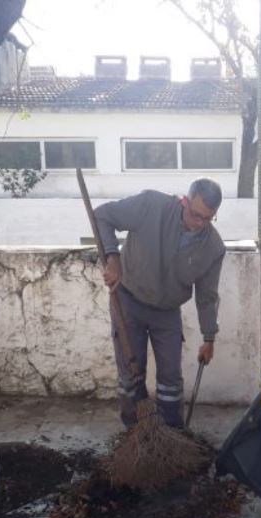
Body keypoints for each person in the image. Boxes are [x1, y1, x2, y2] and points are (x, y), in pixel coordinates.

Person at [94, 179, 225, 428]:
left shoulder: (213, 247)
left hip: (167, 313)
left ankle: (171, 437)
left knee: (170, 381)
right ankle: (135, 435)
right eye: (195, 215)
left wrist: (209, 338)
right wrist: (113, 257)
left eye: (208, 218)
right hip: (128, 301)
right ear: (184, 201)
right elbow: (102, 216)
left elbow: (207, 296)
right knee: (131, 376)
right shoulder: (150, 204)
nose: (199, 224)